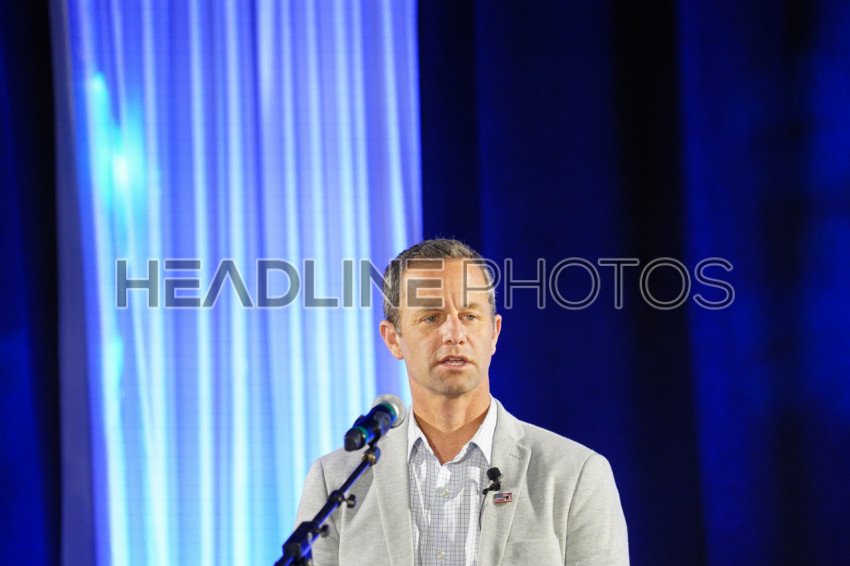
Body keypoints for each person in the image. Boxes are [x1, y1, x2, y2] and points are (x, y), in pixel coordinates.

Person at [295, 238, 629, 565]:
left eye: (469, 316)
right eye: (431, 317)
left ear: (494, 333)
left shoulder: (575, 474)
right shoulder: (336, 480)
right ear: (393, 339)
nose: (454, 334)